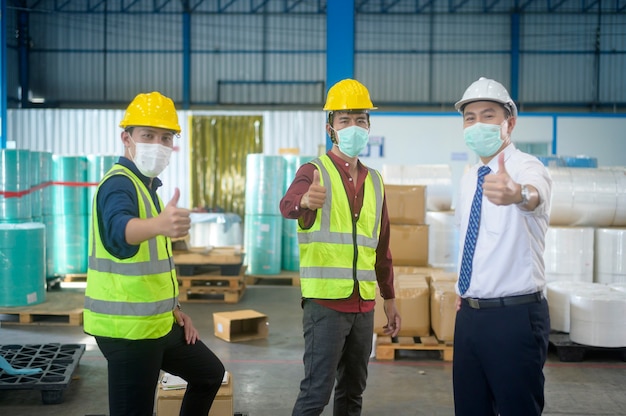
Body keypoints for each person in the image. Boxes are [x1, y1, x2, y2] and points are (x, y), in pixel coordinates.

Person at [84, 91, 225, 416]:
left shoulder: (146, 186)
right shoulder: (118, 185)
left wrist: (176, 308)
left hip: (158, 323)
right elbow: (120, 233)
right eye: (148, 135)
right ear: (127, 138)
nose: (158, 144)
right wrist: (159, 225)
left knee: (208, 374)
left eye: (166, 137)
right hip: (127, 329)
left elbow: (151, 268)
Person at [280, 78, 401, 416]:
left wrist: (389, 300)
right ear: (330, 127)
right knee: (316, 393)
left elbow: (382, 247)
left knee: (352, 394)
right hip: (326, 306)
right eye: (344, 120)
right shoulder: (313, 170)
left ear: (369, 125)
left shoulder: (375, 180)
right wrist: (305, 199)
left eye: (360, 119)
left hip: (363, 306)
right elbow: (287, 205)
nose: (353, 127)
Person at [452, 77, 552, 416]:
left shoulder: (526, 167)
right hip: (469, 316)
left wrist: (518, 194)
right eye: (470, 117)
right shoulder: (470, 177)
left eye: (488, 115)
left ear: (509, 122)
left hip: (514, 318)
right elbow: (474, 241)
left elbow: (534, 196)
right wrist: (464, 289)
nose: (477, 123)